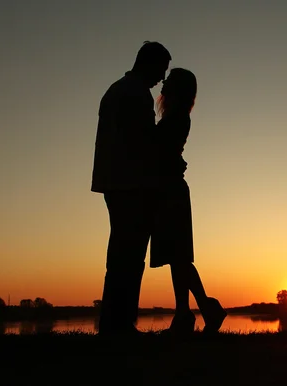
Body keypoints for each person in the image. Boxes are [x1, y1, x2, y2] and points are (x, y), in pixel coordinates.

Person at [91, 41, 172, 336]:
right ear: (148, 64)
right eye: (161, 70)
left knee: (121, 254)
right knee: (129, 255)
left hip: (115, 182)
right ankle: (120, 324)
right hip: (130, 184)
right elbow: (142, 142)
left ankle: (114, 322)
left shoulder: (117, 90)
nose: (161, 78)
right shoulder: (136, 94)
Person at [152, 68, 227, 334]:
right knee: (177, 257)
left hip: (171, 190)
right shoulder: (176, 115)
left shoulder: (177, 116)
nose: (163, 83)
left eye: (169, 81)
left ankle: (201, 310)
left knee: (179, 257)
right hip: (168, 189)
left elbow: (160, 149)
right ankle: (191, 312)